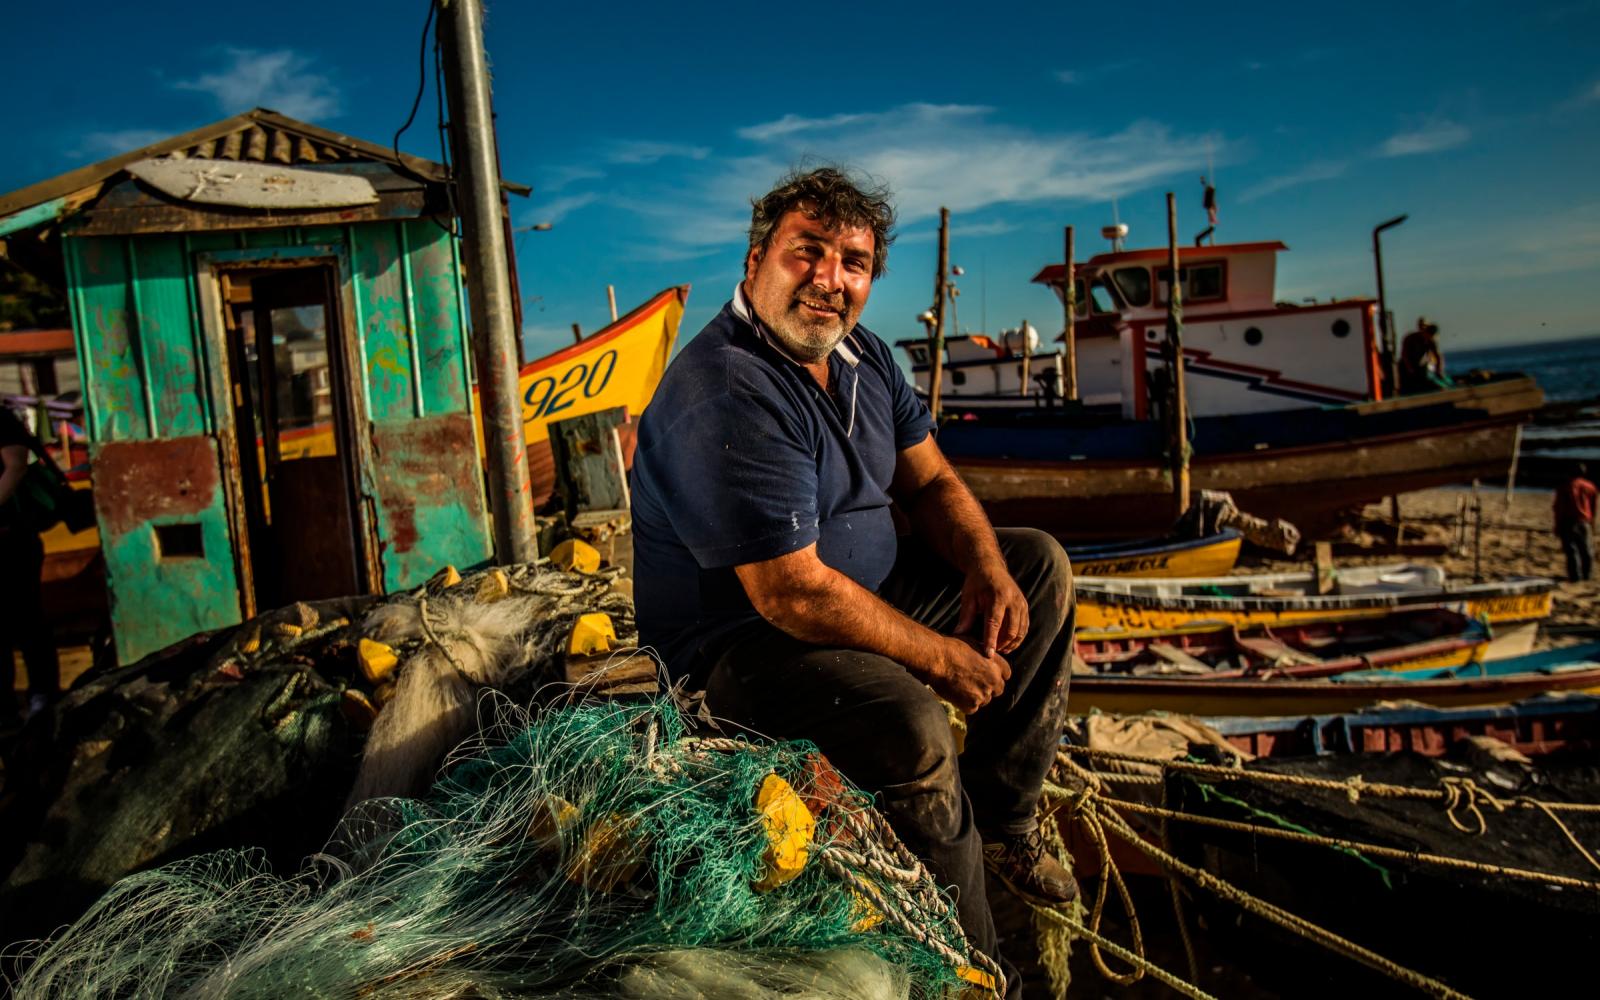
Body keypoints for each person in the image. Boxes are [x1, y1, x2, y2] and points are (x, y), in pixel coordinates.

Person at [629, 167, 1077, 991]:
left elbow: (933, 482)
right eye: (809, 254)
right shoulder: (725, 387)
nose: (831, 281)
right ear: (758, 257)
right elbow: (791, 593)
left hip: (855, 593)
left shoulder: (863, 355)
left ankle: (1004, 819)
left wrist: (983, 567)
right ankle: (977, 970)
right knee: (912, 725)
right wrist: (944, 661)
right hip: (743, 648)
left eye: (855, 262)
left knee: (1035, 566)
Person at [0, 405, 61, 726]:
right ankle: (8, 706)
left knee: (26, 619)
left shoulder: (1, 419)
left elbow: (17, 464)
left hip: (12, 540)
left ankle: (43, 696)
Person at [1555, 462, 1597, 583]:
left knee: (1572, 550)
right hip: (1585, 521)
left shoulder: (1567, 486)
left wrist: (1558, 524)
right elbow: (1594, 507)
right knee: (1586, 549)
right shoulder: (1590, 487)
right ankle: (1587, 574)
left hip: (1569, 521)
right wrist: (1592, 521)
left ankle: (1575, 576)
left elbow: (1559, 507)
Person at [1399, 317, 1448, 394]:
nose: (1422, 327)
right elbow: (1404, 355)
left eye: (1425, 325)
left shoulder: (1431, 340)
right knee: (1412, 384)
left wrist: (1439, 370)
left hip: (1422, 367)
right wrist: (1410, 368)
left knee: (1434, 380)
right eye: (1421, 325)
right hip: (1408, 367)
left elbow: (1438, 356)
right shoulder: (1410, 338)